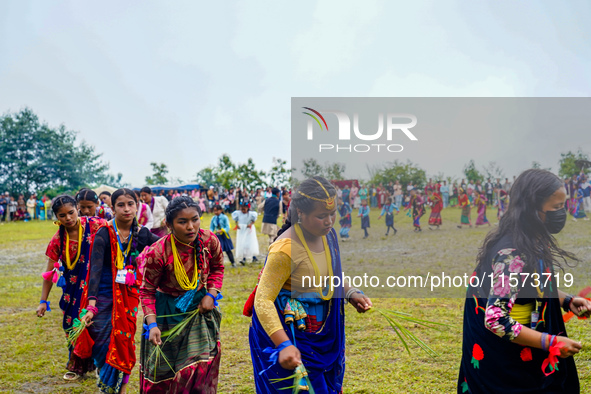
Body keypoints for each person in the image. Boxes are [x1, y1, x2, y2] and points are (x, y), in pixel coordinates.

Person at [458, 169, 591, 393]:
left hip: (526, 343)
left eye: (563, 206)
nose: (562, 213)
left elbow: (532, 284)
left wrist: (567, 300)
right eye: (555, 207)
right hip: (504, 362)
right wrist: (550, 342)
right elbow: (496, 319)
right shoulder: (512, 254)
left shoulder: (532, 237)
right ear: (531, 208)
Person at [245, 176, 372, 393]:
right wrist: (283, 344)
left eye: (333, 214)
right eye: (321, 216)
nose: (329, 221)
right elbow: (263, 300)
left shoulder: (329, 235)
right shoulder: (285, 249)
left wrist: (350, 293)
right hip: (292, 335)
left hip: (322, 336)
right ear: (301, 213)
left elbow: (331, 276)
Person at [139, 196, 225, 393]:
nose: (190, 227)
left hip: (199, 310)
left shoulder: (209, 240)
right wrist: (152, 325)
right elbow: (147, 291)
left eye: (195, 219)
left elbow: (218, 267)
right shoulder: (158, 252)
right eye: (182, 221)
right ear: (168, 224)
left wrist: (211, 295)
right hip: (166, 314)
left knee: (198, 365)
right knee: (164, 373)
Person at [82, 188, 159, 394]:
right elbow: (95, 270)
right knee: (101, 341)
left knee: (124, 340)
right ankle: (105, 377)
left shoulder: (142, 233)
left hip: (129, 295)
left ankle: (121, 389)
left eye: (130, 204)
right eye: (121, 205)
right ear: (112, 207)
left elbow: (165, 247)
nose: (126, 209)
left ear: (137, 206)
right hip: (104, 293)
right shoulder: (104, 233)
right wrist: (91, 305)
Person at [37, 195, 106, 381]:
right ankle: (76, 366)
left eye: (71, 212)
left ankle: (99, 365)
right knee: (72, 325)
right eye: (62, 215)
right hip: (72, 291)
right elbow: (49, 274)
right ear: (56, 218)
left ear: (77, 209)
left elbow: (117, 236)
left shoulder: (96, 225)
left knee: (96, 325)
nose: (68, 218)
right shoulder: (58, 239)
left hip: (95, 286)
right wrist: (43, 301)